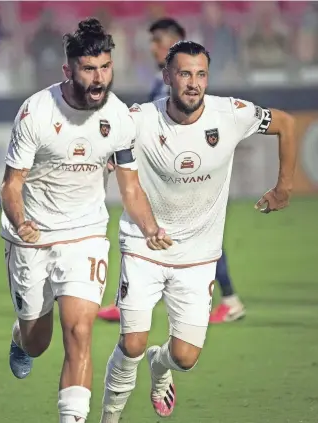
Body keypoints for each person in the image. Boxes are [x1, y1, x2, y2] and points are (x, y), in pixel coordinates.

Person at [99, 40, 296, 422]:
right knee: (132, 342)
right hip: (144, 246)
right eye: (185, 73)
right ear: (167, 76)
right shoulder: (139, 118)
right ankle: (109, 417)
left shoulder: (231, 114)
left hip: (199, 255)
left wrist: (283, 187)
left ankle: (161, 367)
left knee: (185, 358)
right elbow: (104, 145)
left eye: (201, 74)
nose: (193, 83)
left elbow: (285, 124)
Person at [0, 18, 172, 423]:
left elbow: (129, 188)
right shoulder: (35, 113)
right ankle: (20, 336)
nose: (99, 78)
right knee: (38, 341)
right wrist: (22, 220)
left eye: (106, 67)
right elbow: (11, 185)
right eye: (89, 69)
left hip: (86, 234)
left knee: (79, 332)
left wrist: (150, 227)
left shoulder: (119, 119)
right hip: (31, 235)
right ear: (68, 70)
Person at [98, 18, 245, 324]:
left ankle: (228, 300)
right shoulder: (163, 79)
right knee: (151, 229)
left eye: (156, 42)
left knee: (184, 234)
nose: (151, 48)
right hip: (166, 174)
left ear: (170, 43)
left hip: (185, 173)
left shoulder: (184, 82)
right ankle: (134, 299)